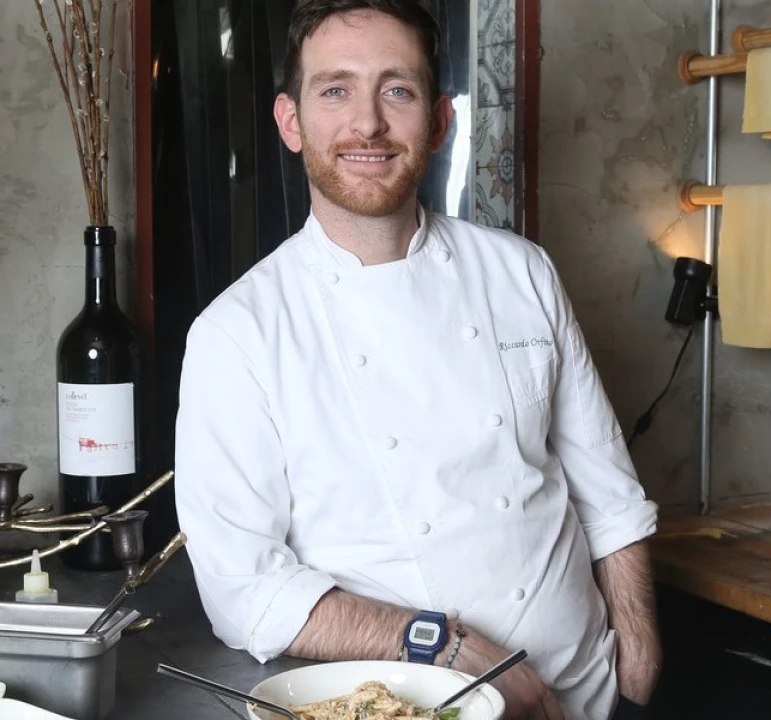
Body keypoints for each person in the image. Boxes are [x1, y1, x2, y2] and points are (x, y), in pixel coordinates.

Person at [173, 1, 662, 718]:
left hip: (590, 698)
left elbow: (609, 498)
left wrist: (638, 670)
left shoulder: (521, 271)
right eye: (335, 90)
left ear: (438, 122)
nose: (367, 124)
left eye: (397, 90)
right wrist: (445, 645)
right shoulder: (238, 334)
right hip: (426, 707)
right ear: (290, 121)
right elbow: (243, 589)